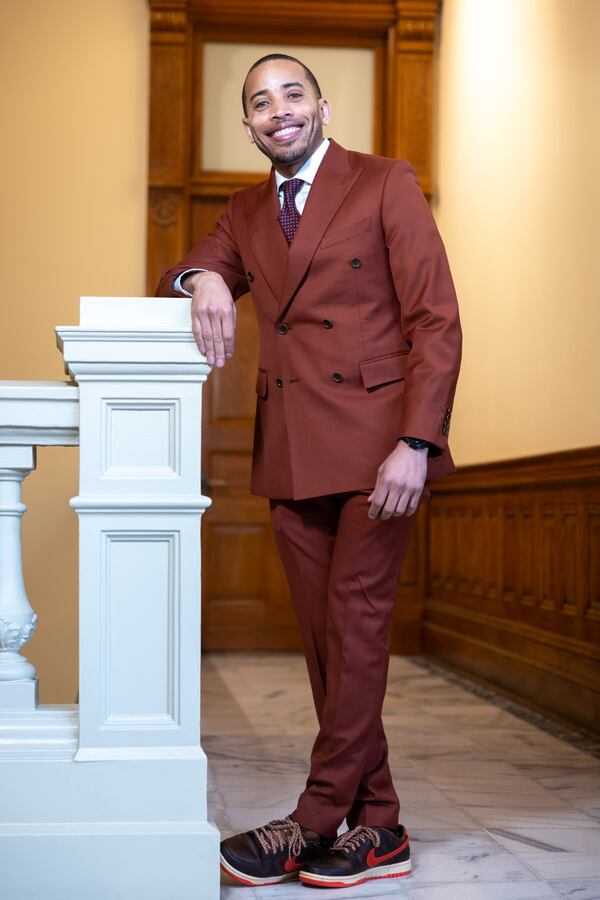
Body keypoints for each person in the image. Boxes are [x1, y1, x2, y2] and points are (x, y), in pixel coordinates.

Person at [157, 53, 461, 890]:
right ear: (249, 125)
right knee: (328, 642)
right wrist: (206, 277)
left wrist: (418, 443)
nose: (278, 110)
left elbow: (438, 318)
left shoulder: (384, 181)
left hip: (377, 448)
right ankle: (382, 826)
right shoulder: (246, 208)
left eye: (293, 95)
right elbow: (170, 272)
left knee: (356, 628)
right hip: (291, 448)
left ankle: (315, 817)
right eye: (260, 102)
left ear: (322, 108)